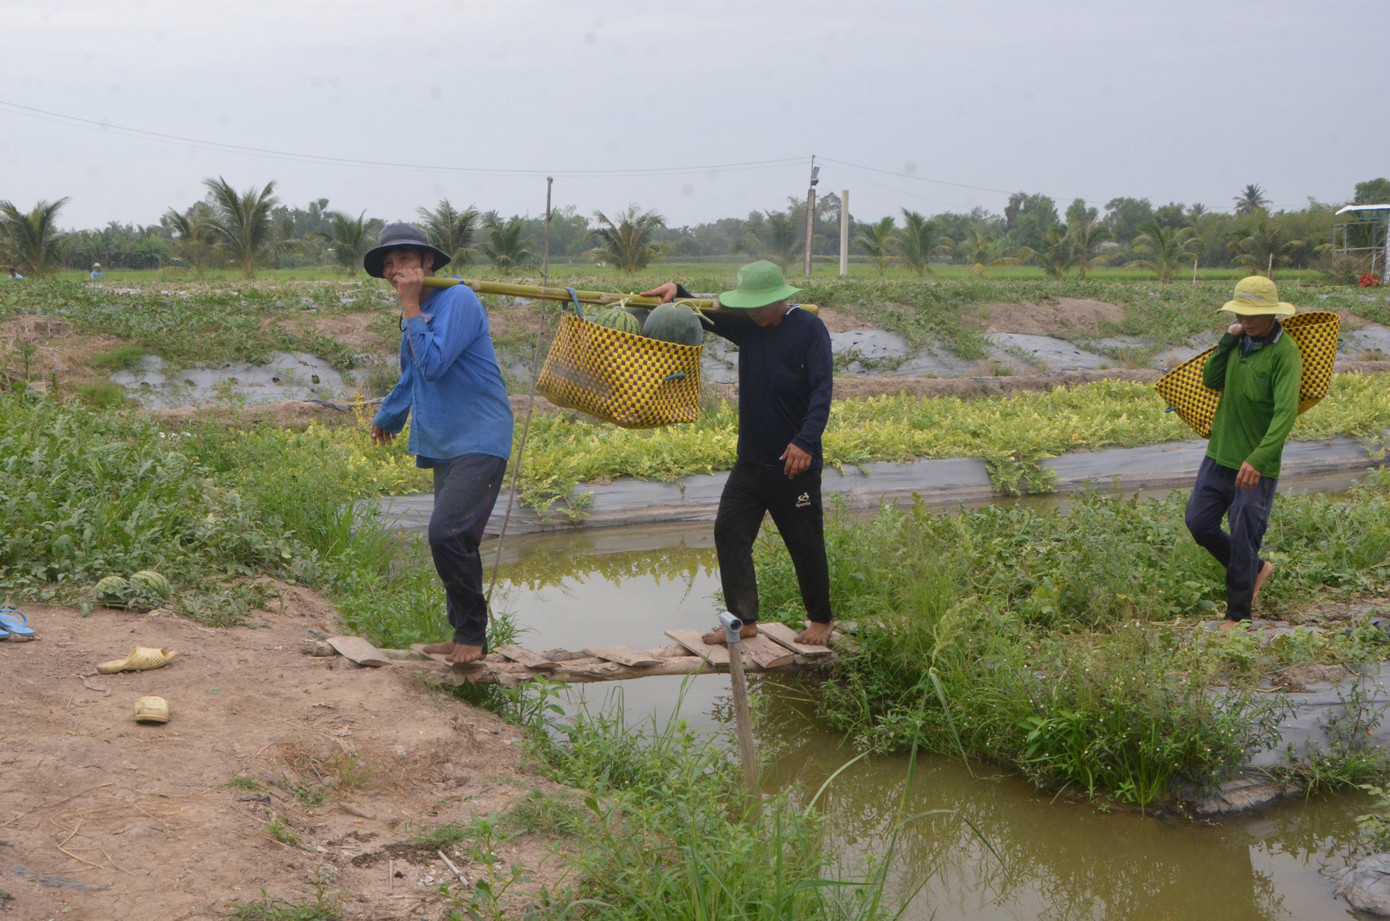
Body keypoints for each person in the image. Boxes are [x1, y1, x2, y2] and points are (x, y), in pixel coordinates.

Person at [644, 261, 835, 646]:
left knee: (805, 542)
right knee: (729, 532)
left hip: (793, 465)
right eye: (746, 306)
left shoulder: (810, 330)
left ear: (778, 300)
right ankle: (744, 620)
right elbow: (707, 316)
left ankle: (821, 620)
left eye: (756, 306)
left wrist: (806, 441)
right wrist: (678, 291)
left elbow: (822, 390)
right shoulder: (749, 325)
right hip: (750, 463)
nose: (750, 312)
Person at [366, 223, 514, 665]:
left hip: (481, 437)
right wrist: (388, 415)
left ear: (428, 262)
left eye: (405, 260)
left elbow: (431, 364)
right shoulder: (417, 310)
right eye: (389, 263)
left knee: (446, 533)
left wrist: (410, 305)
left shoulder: (458, 300)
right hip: (445, 442)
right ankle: (464, 634)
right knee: (456, 539)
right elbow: (411, 375)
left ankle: (472, 635)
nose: (396, 270)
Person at [1185, 275, 1302, 631]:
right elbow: (1209, 378)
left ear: (1271, 313)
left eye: (1253, 315)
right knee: (1199, 523)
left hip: (1255, 465)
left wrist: (1259, 459)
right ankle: (1255, 568)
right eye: (1241, 314)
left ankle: (1237, 617)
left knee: (1242, 536)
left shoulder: (1285, 353)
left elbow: (1285, 414)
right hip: (1219, 453)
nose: (1246, 320)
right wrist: (1226, 339)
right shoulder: (1238, 342)